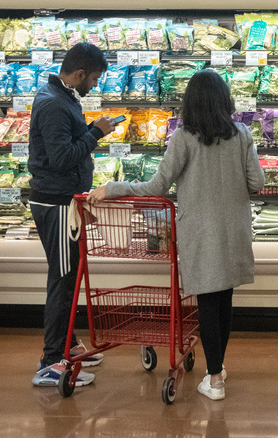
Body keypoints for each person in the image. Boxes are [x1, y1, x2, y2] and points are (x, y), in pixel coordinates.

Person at [88, 69, 265, 400]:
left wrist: (113, 187)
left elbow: (157, 186)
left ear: (191, 103)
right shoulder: (241, 133)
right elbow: (257, 183)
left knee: (207, 301)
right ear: (224, 100)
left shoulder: (184, 137)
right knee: (224, 298)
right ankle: (218, 368)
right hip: (234, 230)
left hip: (200, 231)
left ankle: (214, 380)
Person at [28, 42, 114, 387]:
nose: (94, 85)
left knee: (68, 278)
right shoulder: (53, 104)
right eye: (93, 79)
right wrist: (95, 133)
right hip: (57, 203)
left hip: (66, 202)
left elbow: (65, 147)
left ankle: (69, 344)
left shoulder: (62, 98)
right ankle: (51, 361)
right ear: (79, 74)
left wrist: (89, 128)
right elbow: (62, 158)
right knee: (63, 282)